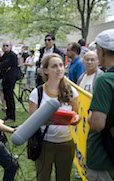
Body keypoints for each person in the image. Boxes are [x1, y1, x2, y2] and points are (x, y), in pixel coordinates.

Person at [29, 53, 80, 181]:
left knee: (64, 177)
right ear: (45, 70)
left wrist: (74, 119)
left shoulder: (72, 91)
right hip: (45, 143)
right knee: (43, 177)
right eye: (54, 66)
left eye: (61, 65)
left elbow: (77, 116)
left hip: (66, 143)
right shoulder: (37, 93)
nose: (59, 69)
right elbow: (31, 122)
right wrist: (45, 120)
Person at [87, 29, 114, 181]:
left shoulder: (105, 80)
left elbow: (97, 124)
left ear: (101, 51)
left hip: (103, 158)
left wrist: (91, 115)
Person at [0, 40, 19, 123]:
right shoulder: (4, 55)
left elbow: (3, 64)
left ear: (10, 46)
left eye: (7, 45)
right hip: (5, 78)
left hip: (10, 78)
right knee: (6, 97)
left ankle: (12, 116)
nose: (5, 47)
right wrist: (3, 66)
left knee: (10, 97)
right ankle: (8, 114)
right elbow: (0, 64)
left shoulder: (12, 55)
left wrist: (3, 66)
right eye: (3, 45)